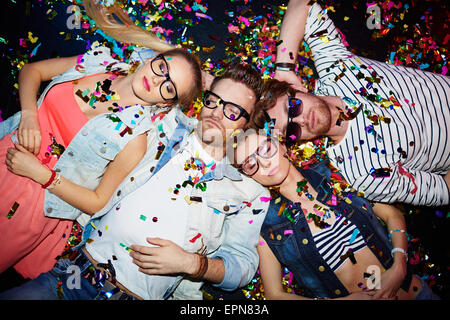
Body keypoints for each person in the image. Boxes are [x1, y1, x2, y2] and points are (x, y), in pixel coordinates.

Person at [0, 0, 270, 298]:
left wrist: (193, 264)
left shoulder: (249, 191)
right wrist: (202, 75)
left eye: (233, 111)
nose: (218, 113)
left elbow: (242, 267)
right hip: (74, 272)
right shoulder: (168, 131)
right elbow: (150, 67)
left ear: (247, 125)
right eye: (214, 101)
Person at [265, 0, 450, 206]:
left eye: (292, 107)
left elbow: (301, 4)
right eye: (291, 129)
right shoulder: (362, 176)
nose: (300, 120)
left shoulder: (337, 67)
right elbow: (442, 189)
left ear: (298, 88)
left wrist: (284, 69)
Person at [230, 129, 440, 300]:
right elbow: (275, 295)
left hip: (415, 293)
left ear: (281, 144)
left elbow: (391, 214)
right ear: (249, 176)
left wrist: (399, 266)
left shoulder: (334, 173)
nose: (264, 163)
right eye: (250, 164)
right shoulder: (267, 227)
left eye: (266, 149)